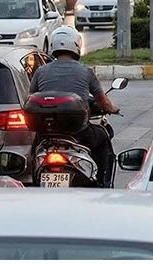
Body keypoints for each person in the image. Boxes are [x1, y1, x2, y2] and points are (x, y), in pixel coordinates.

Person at [29, 26, 120, 184]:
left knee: (34, 148)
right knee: (103, 136)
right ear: (76, 45)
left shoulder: (41, 72)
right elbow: (103, 102)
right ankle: (102, 180)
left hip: (47, 134)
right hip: (79, 133)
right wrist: (113, 109)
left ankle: (34, 177)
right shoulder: (86, 72)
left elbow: (30, 98)